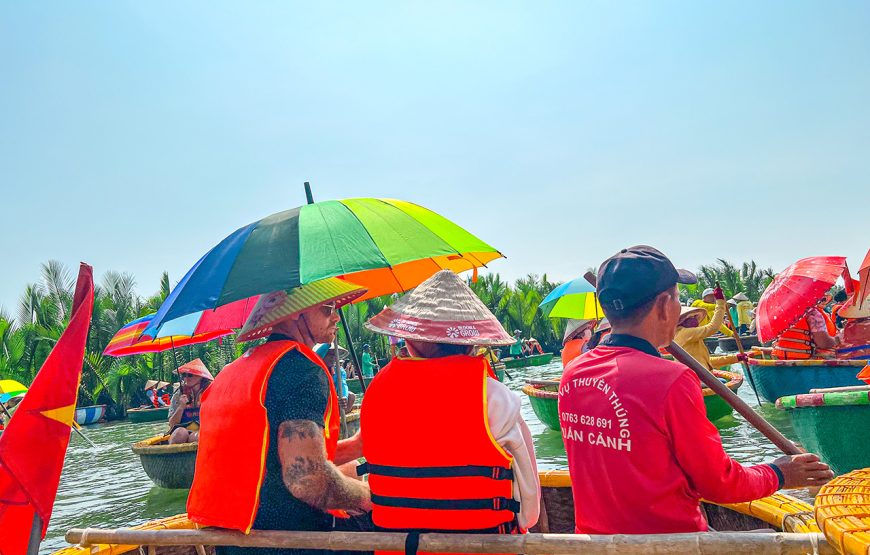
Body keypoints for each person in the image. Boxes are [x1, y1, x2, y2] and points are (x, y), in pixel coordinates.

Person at [559, 245, 833, 535]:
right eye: (678, 298)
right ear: (664, 305)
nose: (679, 307)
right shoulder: (671, 380)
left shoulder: (573, 373)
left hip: (596, 541)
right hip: (674, 544)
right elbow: (719, 484)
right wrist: (779, 473)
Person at [187, 278, 373, 555]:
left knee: (351, 468)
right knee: (385, 522)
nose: (335, 317)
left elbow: (274, 460)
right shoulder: (302, 369)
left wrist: (356, 446)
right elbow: (307, 480)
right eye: (327, 309)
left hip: (231, 539)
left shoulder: (232, 372)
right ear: (297, 312)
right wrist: (368, 497)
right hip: (288, 541)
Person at [361, 270, 540, 540]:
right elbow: (529, 513)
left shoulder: (375, 392)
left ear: (409, 341)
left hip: (401, 548)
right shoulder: (496, 397)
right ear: (471, 344)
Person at [674, 288, 742, 371]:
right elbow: (713, 327)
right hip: (695, 374)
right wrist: (720, 303)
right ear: (705, 297)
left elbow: (706, 361)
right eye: (711, 296)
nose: (713, 299)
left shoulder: (711, 313)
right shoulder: (698, 303)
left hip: (701, 336)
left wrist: (736, 358)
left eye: (714, 297)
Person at [772, 297, 841, 360]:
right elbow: (823, 343)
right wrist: (839, 340)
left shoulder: (780, 312)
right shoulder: (813, 313)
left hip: (781, 361)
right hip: (804, 363)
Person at [167, 359, 214, 444]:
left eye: (190, 375)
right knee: (180, 433)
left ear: (200, 377)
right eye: (184, 375)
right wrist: (181, 407)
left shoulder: (211, 392)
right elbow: (172, 424)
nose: (186, 378)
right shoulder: (179, 394)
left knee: (195, 437)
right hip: (181, 429)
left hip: (204, 430)